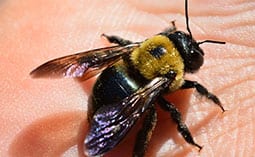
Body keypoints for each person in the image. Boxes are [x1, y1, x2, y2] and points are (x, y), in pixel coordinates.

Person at [1, 0, 254, 156]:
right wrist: (190, 138)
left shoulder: (139, 46)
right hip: (118, 99)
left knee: (127, 62)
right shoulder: (168, 76)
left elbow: (113, 48)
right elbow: (179, 109)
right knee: (155, 115)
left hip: (111, 82)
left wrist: (114, 40)